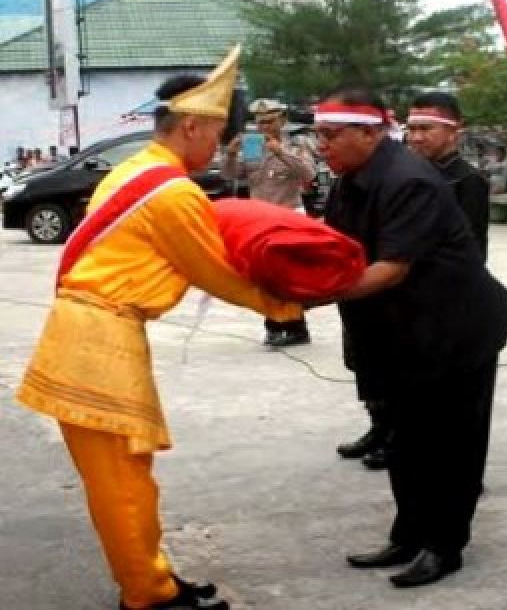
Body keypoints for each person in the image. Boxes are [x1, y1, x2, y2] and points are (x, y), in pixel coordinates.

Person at [15, 47, 303, 610]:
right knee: (122, 481)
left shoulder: (134, 170)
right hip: (100, 338)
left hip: (90, 331)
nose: (219, 150)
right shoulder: (173, 192)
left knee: (129, 474)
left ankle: (154, 577)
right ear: (191, 125)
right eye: (218, 136)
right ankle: (147, 594)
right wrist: (290, 304)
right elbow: (214, 271)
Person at [318, 86, 507, 589]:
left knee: (450, 445)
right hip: (401, 332)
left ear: (369, 133)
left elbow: (389, 269)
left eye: (330, 136)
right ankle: (408, 535)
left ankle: (445, 546)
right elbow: (336, 249)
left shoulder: (409, 181)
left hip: (454, 332)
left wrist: (305, 297)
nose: (321, 146)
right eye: (319, 136)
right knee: (405, 441)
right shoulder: (350, 179)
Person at [223, 98, 317, 346]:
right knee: (264, 275)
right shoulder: (254, 145)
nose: (264, 126)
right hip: (260, 218)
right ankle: (273, 325)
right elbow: (233, 175)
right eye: (260, 121)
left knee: (288, 277)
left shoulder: (296, 144)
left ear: (282, 120)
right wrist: (231, 156)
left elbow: (309, 174)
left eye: (269, 121)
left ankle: (297, 327)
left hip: (288, 215)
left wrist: (281, 152)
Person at [404, 92, 490, 258]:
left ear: (453, 132)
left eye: (425, 129)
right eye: (411, 129)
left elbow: (471, 248)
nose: (416, 138)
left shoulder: (467, 180)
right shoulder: (407, 174)